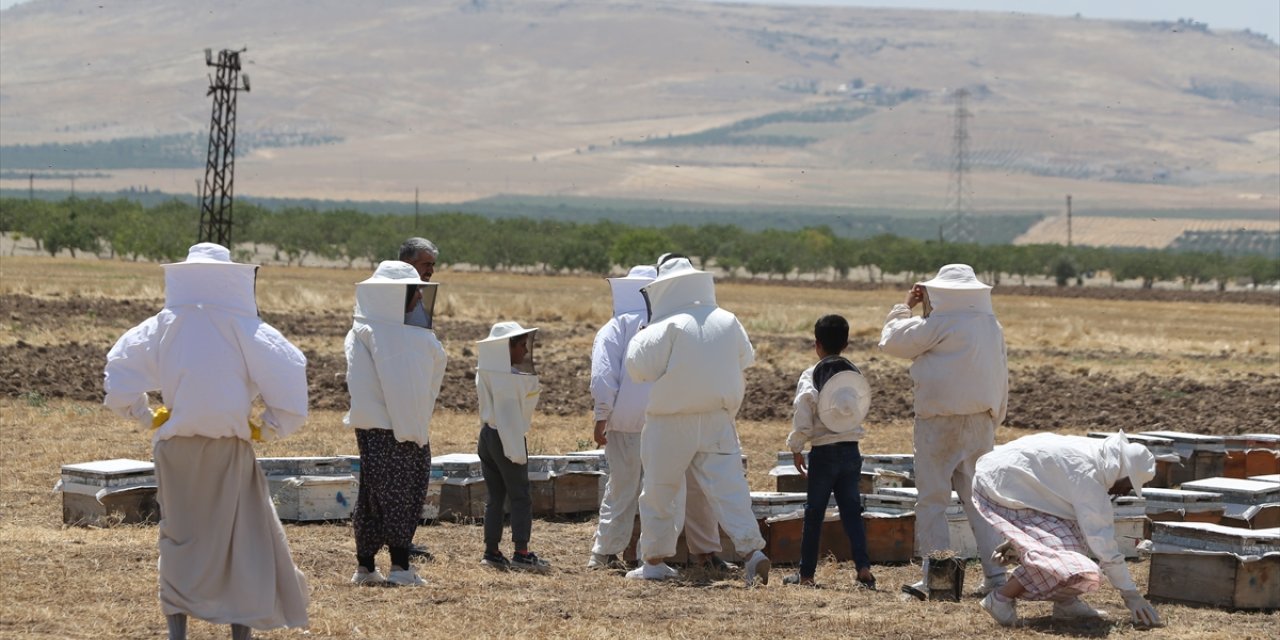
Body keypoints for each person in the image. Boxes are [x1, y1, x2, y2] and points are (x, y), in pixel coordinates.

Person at [103, 243, 309, 640]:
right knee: (240, 541)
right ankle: (239, 633)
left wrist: (147, 416)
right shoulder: (246, 327)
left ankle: (177, 632)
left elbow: (119, 377)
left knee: (180, 539)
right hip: (228, 449)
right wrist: (267, 428)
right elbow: (289, 371)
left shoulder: (161, 325)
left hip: (175, 450)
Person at [623, 257, 770, 586]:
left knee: (659, 491)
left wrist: (644, 335)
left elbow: (637, 368)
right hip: (718, 418)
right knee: (730, 490)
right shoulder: (728, 320)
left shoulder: (666, 326)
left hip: (670, 421)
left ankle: (655, 561)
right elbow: (745, 358)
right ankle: (752, 553)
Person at [587, 264, 734, 573]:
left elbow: (602, 376)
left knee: (622, 487)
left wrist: (602, 415)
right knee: (674, 491)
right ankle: (674, 557)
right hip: (672, 419)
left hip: (626, 421)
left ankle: (604, 554)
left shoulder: (615, 327)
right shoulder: (677, 324)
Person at [878, 263, 1008, 598]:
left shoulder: (937, 323)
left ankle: (939, 579)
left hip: (938, 424)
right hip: (980, 421)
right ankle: (997, 577)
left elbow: (891, 342)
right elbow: (1001, 376)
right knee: (980, 502)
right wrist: (993, 419)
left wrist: (904, 307)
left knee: (933, 501)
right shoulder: (991, 325)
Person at [972, 432, 1163, 628]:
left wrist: (1022, 538)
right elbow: (1103, 544)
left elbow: (1052, 490)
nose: (1125, 492)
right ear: (1122, 473)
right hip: (1000, 485)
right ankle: (1000, 599)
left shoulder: (1095, 455)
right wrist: (1130, 594)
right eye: (1129, 485)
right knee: (1064, 559)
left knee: (1075, 538)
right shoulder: (1090, 476)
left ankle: (1066, 604)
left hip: (1008, 481)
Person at [345, 261, 447, 586]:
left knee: (372, 495)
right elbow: (404, 387)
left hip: (371, 425)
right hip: (397, 427)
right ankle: (401, 569)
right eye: (414, 290)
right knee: (402, 493)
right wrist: (413, 431)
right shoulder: (391, 336)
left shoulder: (362, 328)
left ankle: (365, 567)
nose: (419, 297)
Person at [783, 314, 876, 590]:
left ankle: (807, 575)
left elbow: (802, 412)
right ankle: (863, 568)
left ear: (816, 344)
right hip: (851, 451)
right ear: (846, 344)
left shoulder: (810, 375)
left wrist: (796, 446)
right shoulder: (854, 373)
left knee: (814, 513)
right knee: (851, 511)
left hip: (823, 453)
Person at [475, 321, 551, 573]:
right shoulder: (511, 380)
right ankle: (522, 552)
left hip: (486, 435)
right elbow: (512, 419)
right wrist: (517, 452)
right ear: (506, 348)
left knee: (495, 496)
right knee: (520, 495)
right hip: (506, 437)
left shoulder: (485, 371)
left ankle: (492, 551)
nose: (526, 352)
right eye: (521, 345)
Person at [398, 236, 440, 561]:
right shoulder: (389, 300)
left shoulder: (420, 299)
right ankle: (397, 544)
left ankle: (405, 539)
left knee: (418, 471)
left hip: (417, 399)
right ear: (408, 264)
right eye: (425, 264)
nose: (430, 271)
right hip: (396, 402)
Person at [399, 237, 438, 328]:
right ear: (408, 264)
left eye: (432, 265)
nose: (431, 271)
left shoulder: (420, 295)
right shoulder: (395, 296)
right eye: (427, 264)